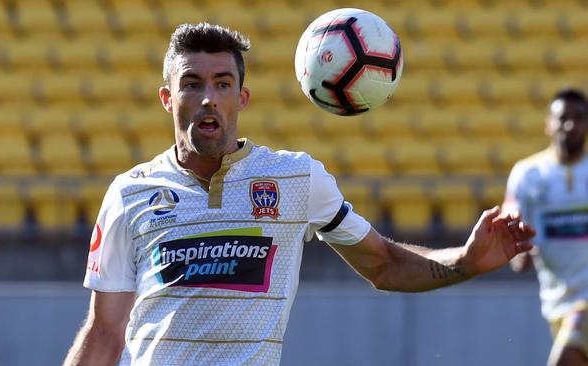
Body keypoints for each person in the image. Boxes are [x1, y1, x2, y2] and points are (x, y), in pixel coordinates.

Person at [64, 23, 535, 366]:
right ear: (168, 98)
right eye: (191, 84)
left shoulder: (294, 179)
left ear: (241, 98)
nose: (208, 97)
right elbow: (105, 331)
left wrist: (466, 262)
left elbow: (384, 263)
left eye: (222, 84)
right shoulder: (130, 193)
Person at [505, 88, 588, 366]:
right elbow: (513, 235)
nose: (571, 125)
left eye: (579, 117)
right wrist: (518, 253)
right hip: (556, 302)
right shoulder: (527, 174)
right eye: (563, 117)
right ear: (548, 124)